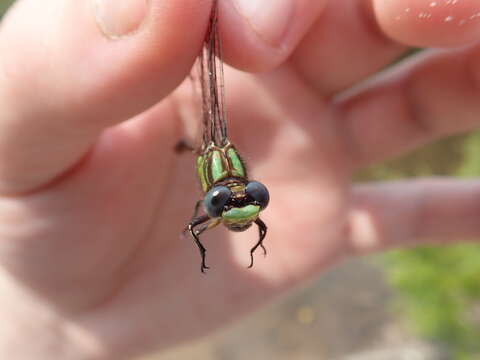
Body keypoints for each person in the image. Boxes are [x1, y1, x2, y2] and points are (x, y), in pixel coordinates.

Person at [1, 0, 480, 358]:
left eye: (240, 196)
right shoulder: (227, 194)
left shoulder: (226, 198)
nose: (237, 196)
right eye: (238, 197)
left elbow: (197, 226)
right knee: (204, 84)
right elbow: (200, 225)